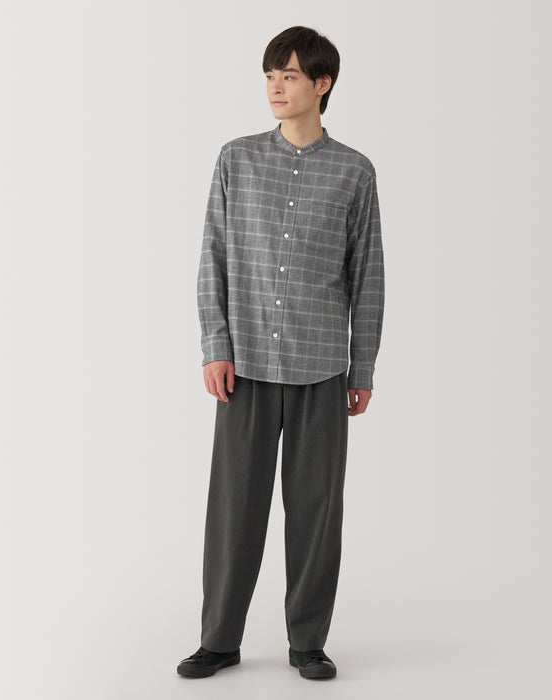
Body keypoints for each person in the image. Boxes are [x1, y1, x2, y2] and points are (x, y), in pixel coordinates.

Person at [177, 25, 385, 681]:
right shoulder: (235, 160)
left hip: (322, 367)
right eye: (271, 75)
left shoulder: (354, 171)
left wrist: (362, 366)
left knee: (317, 511)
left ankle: (308, 642)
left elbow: (367, 275)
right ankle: (219, 639)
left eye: (289, 75)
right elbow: (212, 257)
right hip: (244, 368)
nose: (276, 86)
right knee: (233, 509)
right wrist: (215, 344)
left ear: (322, 84)